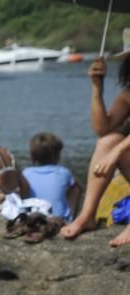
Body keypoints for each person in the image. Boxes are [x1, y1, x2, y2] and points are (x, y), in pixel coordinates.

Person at [61, 57, 130, 248]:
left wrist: (119, 150)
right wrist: (97, 88)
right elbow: (102, 128)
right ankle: (87, 215)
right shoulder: (127, 96)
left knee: (115, 146)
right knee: (107, 142)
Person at [22, 132, 82, 222]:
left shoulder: (26, 173)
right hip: (58, 220)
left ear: (33, 157)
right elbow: (76, 188)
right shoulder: (63, 172)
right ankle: (71, 217)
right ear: (57, 156)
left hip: (32, 219)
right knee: (76, 187)